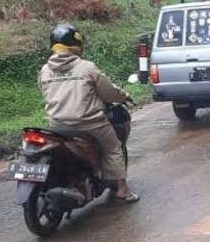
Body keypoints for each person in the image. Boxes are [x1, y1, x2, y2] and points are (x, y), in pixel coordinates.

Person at [38, 24, 139, 202]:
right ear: (76, 44)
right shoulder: (86, 67)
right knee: (113, 147)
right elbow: (108, 92)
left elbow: (45, 93)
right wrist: (124, 96)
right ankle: (122, 190)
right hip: (90, 124)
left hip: (57, 127)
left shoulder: (45, 70)